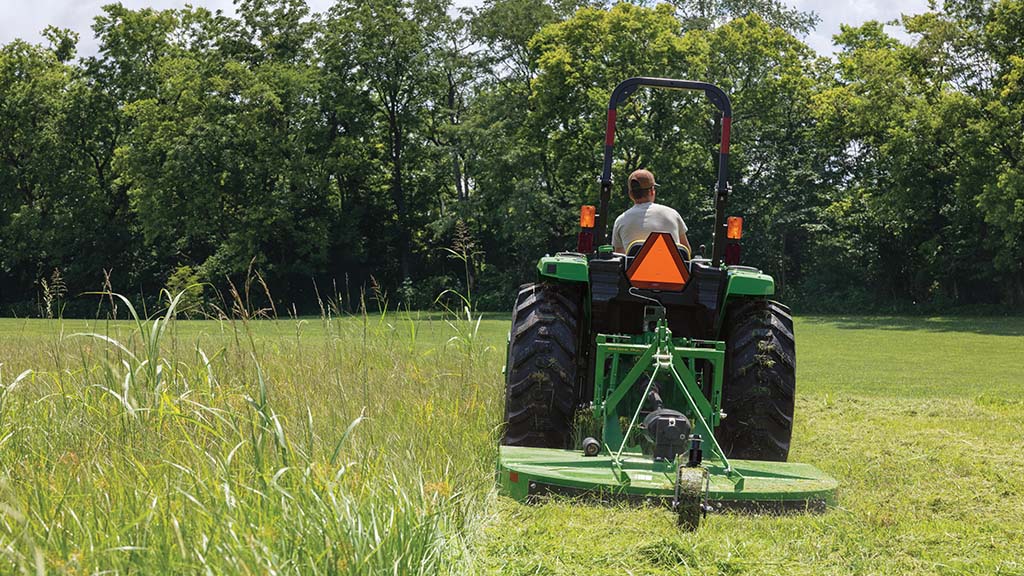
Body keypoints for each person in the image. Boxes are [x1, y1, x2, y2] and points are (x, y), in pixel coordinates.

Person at [611, 169, 692, 256]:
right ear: (652, 191)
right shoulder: (673, 214)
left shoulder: (620, 221)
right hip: (672, 269)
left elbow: (619, 257)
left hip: (637, 270)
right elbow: (686, 251)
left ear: (630, 194)